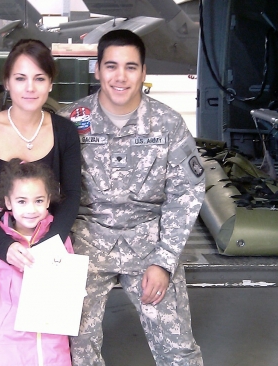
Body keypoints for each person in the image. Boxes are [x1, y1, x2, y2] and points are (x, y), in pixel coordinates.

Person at [58, 29, 205, 366]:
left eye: (130, 67)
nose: (120, 77)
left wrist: (164, 260)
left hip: (148, 245)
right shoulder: (68, 122)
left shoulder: (167, 123)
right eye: (111, 66)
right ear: (96, 70)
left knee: (178, 349)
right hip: (85, 242)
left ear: (143, 72)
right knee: (71, 348)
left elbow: (187, 191)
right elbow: (38, 182)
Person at [0, 39, 81, 366]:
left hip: (46, 241)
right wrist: (1, 245)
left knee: (51, 344)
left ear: (51, 83)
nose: (30, 87)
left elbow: (72, 196)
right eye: (21, 78)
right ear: (7, 82)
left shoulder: (65, 132)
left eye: (39, 78)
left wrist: (49, 245)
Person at [0, 159, 73, 366]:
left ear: (48, 200)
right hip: (8, 343)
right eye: (22, 201)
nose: (31, 209)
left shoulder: (59, 240)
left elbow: (67, 289)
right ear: (8, 202)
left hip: (53, 342)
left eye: (39, 201)